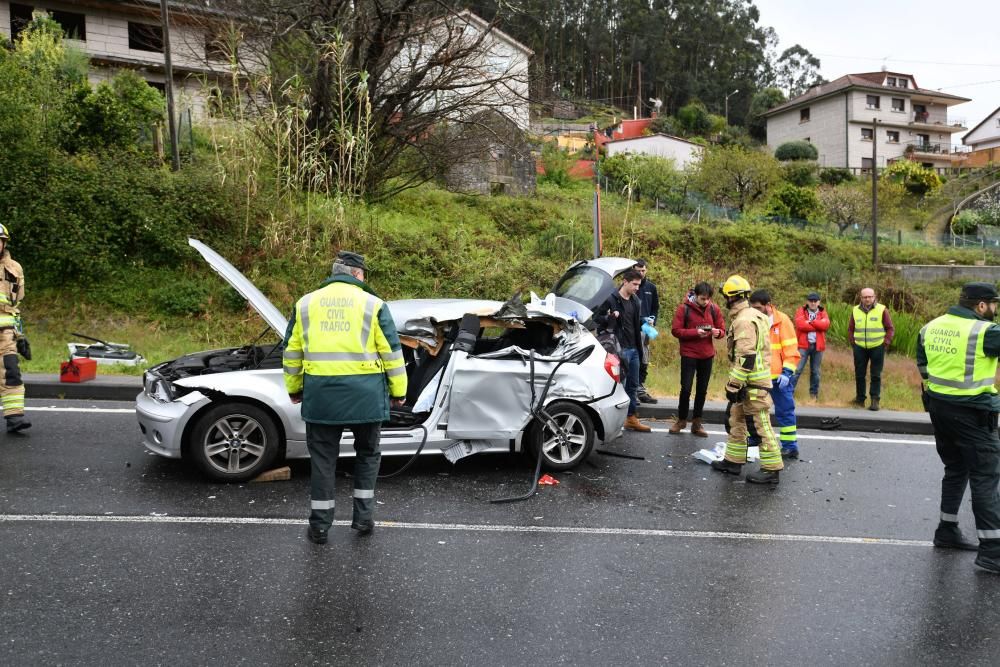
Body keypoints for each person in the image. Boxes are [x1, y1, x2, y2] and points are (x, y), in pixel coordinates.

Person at [283, 251, 407, 545]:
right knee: (367, 455)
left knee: (323, 461)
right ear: (356, 274)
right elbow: (391, 352)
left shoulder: (305, 304)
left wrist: (294, 388)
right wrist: (399, 391)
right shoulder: (373, 304)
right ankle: (363, 520)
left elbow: (291, 352)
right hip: (365, 396)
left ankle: (320, 527)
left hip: (322, 396)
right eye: (364, 275)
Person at [917, 282, 1000, 573]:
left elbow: (923, 367)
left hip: (940, 410)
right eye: (993, 305)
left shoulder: (931, 327)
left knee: (956, 469)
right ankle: (993, 551)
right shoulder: (985, 332)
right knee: (986, 477)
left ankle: (947, 530)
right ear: (981, 305)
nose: (994, 311)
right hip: (973, 414)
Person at [710, 275, 784, 484]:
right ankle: (733, 462)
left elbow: (746, 356)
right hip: (749, 383)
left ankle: (771, 469)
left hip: (751, 384)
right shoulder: (754, 315)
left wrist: (733, 384)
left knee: (760, 427)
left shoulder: (743, 320)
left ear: (731, 298)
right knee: (737, 421)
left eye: (725, 295)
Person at [595, 269, 652, 432]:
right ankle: (614, 422)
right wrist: (610, 317)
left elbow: (634, 321)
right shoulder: (611, 299)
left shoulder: (635, 301)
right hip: (618, 349)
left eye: (639, 285)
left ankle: (631, 418)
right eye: (634, 284)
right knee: (618, 386)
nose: (637, 288)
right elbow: (596, 319)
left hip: (634, 349)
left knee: (633, 385)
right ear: (625, 282)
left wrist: (645, 323)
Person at [668, 281, 724, 437]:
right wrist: (695, 332)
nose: (705, 302)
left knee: (702, 390)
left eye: (707, 299)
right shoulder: (683, 308)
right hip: (689, 354)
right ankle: (681, 420)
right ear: (695, 296)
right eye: (702, 298)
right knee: (685, 388)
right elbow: (676, 331)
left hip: (707, 355)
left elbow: (722, 330)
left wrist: (716, 332)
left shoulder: (714, 309)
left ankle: (697, 422)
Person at [749, 290, 800, 459]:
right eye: (752, 307)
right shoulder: (753, 320)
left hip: (778, 377)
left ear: (768, 306)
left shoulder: (782, 321)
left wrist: (787, 372)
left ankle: (790, 446)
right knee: (754, 411)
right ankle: (756, 440)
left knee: (785, 411)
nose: (755, 311)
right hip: (759, 375)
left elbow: (791, 349)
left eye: (758, 307)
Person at [0, 224, 29, 433]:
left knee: (11, 373)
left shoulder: (14, 269)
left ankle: (15, 418)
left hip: (6, 336)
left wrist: (21, 337)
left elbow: (14, 308)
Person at [849, 287, 894, 411]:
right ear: (861, 298)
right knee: (859, 374)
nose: (867, 299)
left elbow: (890, 328)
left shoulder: (882, 309)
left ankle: (875, 400)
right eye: (865, 297)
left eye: (870, 296)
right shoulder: (855, 310)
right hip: (859, 347)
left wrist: (885, 343)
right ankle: (860, 399)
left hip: (877, 347)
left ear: (874, 297)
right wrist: (853, 342)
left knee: (876, 375)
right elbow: (851, 329)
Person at [793, 292, 830, 400]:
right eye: (811, 301)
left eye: (815, 301)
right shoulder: (801, 311)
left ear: (819, 302)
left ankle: (813, 395)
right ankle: (789, 393)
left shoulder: (823, 312)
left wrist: (810, 322)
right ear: (807, 302)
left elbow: (826, 325)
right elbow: (800, 325)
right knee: (797, 370)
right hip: (803, 346)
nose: (813, 303)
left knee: (815, 372)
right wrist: (818, 324)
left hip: (818, 346)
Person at [633, 259, 660, 404]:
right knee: (633, 359)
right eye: (638, 270)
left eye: (643, 270)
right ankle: (632, 391)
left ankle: (640, 389)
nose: (641, 273)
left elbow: (655, 307)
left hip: (646, 329)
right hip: (632, 329)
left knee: (644, 359)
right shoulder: (631, 286)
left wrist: (652, 320)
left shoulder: (651, 287)